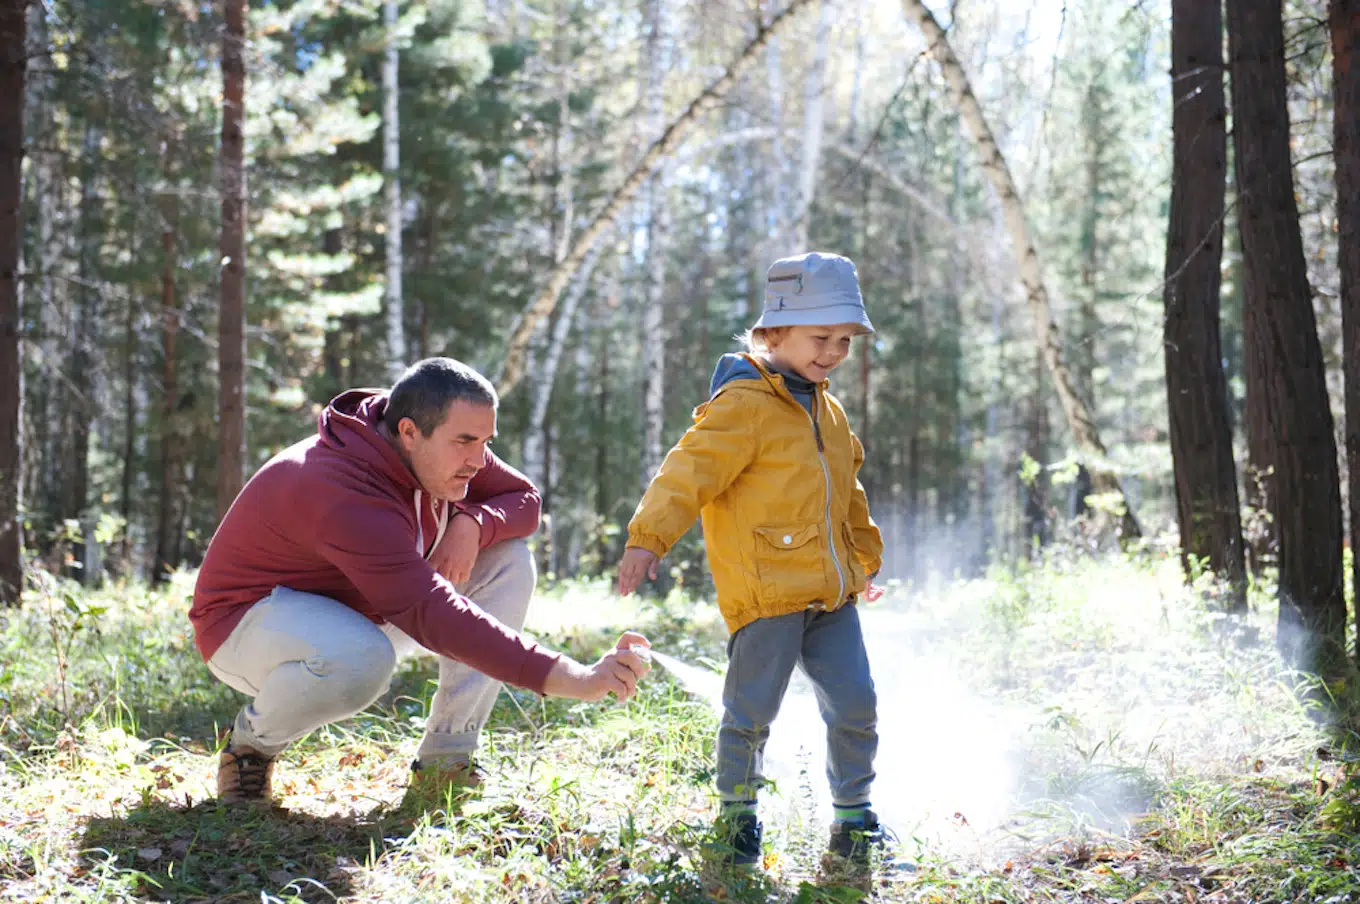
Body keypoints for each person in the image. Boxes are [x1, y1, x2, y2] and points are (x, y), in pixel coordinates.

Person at [192, 357, 650, 806]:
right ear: (410, 432)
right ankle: (251, 748)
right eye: (465, 441)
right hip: (247, 626)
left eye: (486, 442)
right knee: (361, 660)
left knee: (508, 559)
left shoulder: (430, 446)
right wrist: (575, 678)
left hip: (362, 607)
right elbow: (435, 616)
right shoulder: (341, 489)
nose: (478, 461)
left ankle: (446, 760)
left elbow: (524, 500)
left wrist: (473, 524)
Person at [617, 252, 886, 870]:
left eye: (844, 340)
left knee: (856, 703)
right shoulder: (742, 405)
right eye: (821, 337)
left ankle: (853, 816)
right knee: (752, 711)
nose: (834, 351)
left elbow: (847, 493)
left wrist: (863, 560)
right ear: (774, 333)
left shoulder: (829, 409)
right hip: (767, 594)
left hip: (831, 596)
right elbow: (687, 474)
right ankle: (738, 816)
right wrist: (647, 538)